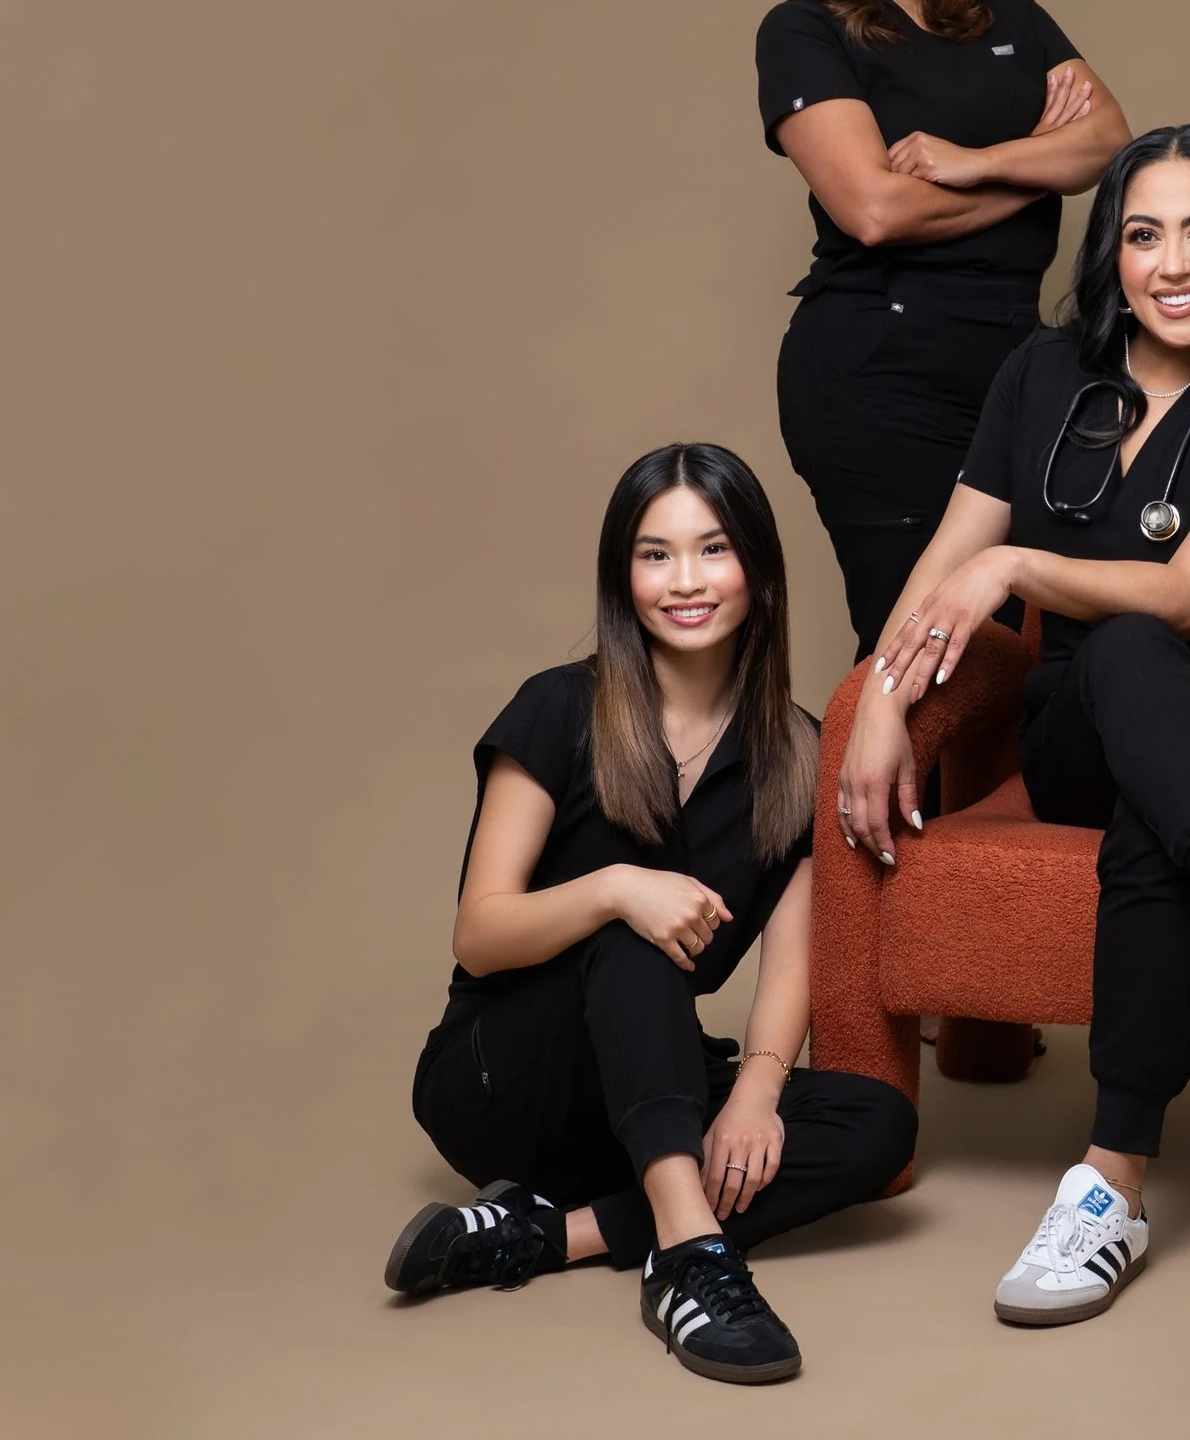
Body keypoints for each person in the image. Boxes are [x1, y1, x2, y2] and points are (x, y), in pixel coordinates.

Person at [839, 125, 1190, 1327]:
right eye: (1143, 234)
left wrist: (1020, 569)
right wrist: (881, 700)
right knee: (1131, 666)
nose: (1174, 263)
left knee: (1159, 736)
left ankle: (1107, 1186)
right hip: (1085, 721)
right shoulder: (1041, 376)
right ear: (1113, 255)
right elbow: (948, 560)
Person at [384, 444, 917, 1384]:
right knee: (629, 944)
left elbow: (791, 962)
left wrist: (757, 1091)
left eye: (712, 550)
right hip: (504, 1080)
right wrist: (612, 887)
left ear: (757, 566)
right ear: (621, 576)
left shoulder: (795, 752)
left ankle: (548, 1236)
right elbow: (480, 932)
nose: (686, 581)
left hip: (640, 1098)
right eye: (654, 554)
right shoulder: (561, 708)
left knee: (878, 1123)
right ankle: (689, 1262)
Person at [761, 0, 1131, 659]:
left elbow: (1113, 142)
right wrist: (1043, 169)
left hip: (1013, 376)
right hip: (878, 375)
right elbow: (876, 210)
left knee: (1013, 648)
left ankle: (966, 809)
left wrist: (974, 163)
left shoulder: (1007, 10)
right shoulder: (805, 31)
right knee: (919, 650)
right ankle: (851, 801)